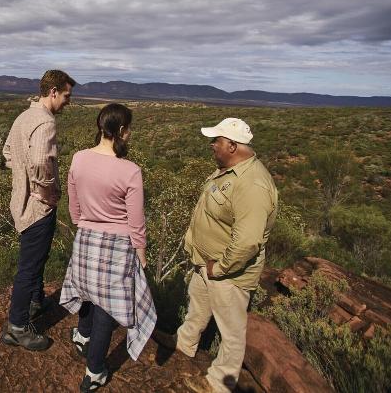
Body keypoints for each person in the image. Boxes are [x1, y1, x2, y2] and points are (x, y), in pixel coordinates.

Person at [175, 118, 278, 393]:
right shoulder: (227, 170)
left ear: (232, 145)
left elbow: (247, 242)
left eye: (216, 141)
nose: (212, 146)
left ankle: (219, 384)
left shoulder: (253, 185)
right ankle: (182, 350)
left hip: (228, 274)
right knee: (196, 313)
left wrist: (218, 268)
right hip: (204, 264)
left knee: (231, 333)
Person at [59, 103, 157, 392]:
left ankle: (83, 334)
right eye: (130, 129)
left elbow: (73, 204)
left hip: (86, 236)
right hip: (117, 244)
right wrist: (141, 252)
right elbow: (135, 220)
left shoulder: (78, 159)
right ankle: (95, 370)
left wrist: (83, 223)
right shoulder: (130, 171)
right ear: (122, 131)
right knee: (106, 306)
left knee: (87, 290)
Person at [0, 69, 76, 351]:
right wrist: (46, 193)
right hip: (37, 207)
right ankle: (17, 328)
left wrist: (21, 176)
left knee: (35, 259)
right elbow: (41, 162)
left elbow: (8, 153)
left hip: (21, 202)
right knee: (29, 267)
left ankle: (34, 302)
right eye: (67, 95)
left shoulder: (24, 117)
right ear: (53, 92)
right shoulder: (45, 123)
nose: (69, 101)